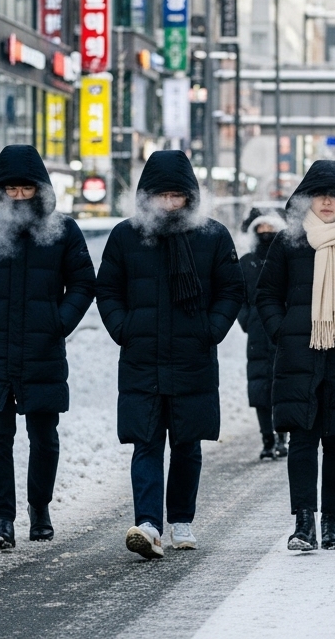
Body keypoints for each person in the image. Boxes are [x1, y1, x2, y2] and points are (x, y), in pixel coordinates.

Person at [95, 150, 244, 560]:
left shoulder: (212, 236)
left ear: (190, 197)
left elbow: (232, 289)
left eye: (177, 196)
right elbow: (106, 288)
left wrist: (210, 330)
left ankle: (181, 519)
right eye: (160, 196)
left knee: (186, 442)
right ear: (145, 196)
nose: (168, 204)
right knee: (145, 441)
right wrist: (123, 328)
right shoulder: (126, 235)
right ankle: (147, 523)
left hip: (192, 355)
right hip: (142, 356)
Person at [0, 145, 96, 550]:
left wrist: (59, 321)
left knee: (44, 435)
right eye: (10, 189)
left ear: (40, 190)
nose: (17, 197)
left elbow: (84, 282)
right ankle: (2, 520)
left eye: (25, 190)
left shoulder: (62, 231)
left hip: (43, 349)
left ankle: (40, 508)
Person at [257, 160, 335, 550]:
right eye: (319, 194)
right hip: (301, 353)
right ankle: (303, 523)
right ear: (306, 198)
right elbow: (266, 294)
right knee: (303, 440)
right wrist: (285, 332)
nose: (327, 202)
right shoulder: (290, 240)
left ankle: (332, 523)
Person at [237, 207, 288, 461]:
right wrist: (247, 320)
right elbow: (238, 297)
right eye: (261, 229)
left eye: (271, 229)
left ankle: (282, 437)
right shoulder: (246, 263)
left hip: (283, 331)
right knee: (259, 389)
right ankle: (267, 440)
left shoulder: (287, 258)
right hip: (257, 334)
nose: (266, 233)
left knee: (283, 387)